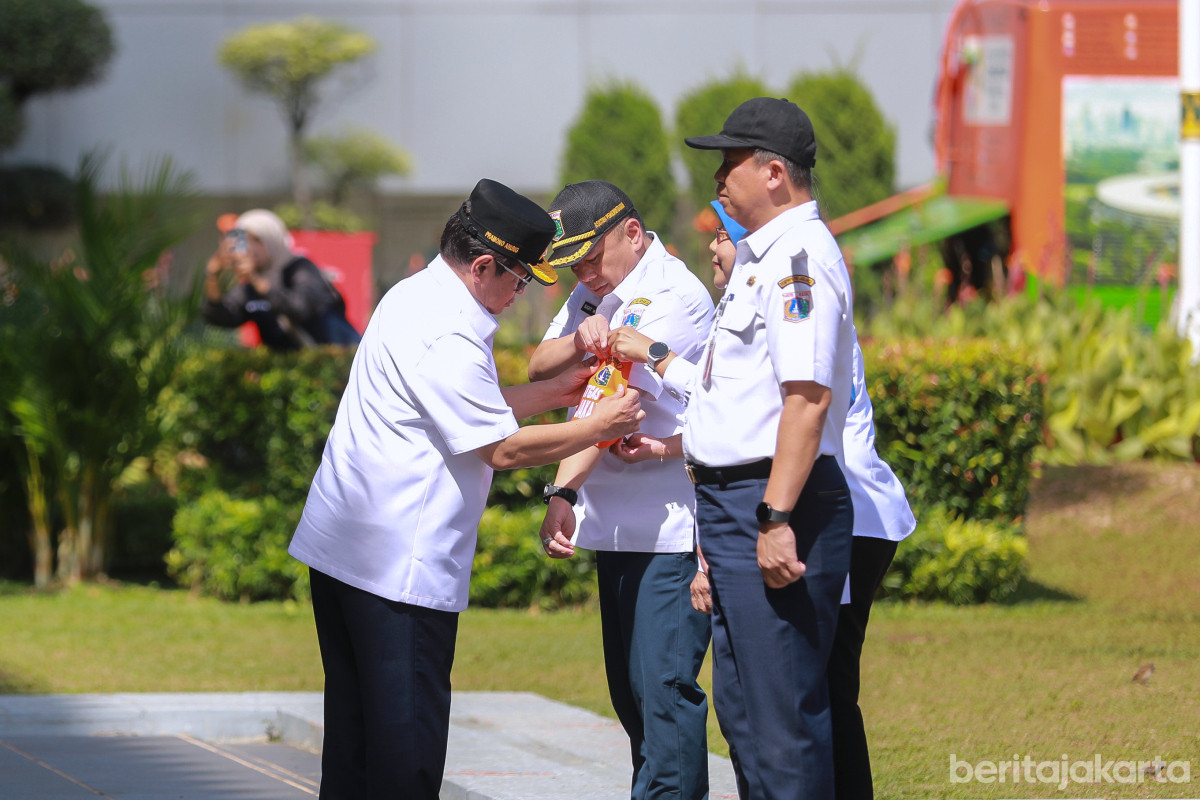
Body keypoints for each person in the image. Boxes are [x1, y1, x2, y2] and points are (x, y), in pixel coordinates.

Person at [286, 178, 644, 800]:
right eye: (520, 279)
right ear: (483, 266)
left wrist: (553, 393)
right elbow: (499, 448)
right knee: (406, 756)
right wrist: (598, 426)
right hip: (395, 569)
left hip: (344, 551)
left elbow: (466, 405)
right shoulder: (452, 330)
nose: (519, 293)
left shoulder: (415, 293)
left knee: (354, 743)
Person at [607, 200, 916, 800]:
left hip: (830, 512)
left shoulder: (792, 276)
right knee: (780, 698)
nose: (715, 248)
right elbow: (732, 414)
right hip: (816, 508)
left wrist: (654, 353)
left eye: (724, 236)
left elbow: (780, 411)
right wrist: (667, 446)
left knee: (805, 697)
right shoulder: (749, 294)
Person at [681, 97, 858, 800]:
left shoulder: (798, 262)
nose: (718, 180)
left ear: (775, 173)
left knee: (782, 723)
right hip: (738, 504)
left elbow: (806, 400)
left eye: (730, 164)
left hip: (776, 501)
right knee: (746, 715)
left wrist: (776, 516)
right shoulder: (765, 257)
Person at [527, 180, 715, 800]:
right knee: (631, 699)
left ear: (632, 234)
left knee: (664, 697)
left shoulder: (671, 295)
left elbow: (613, 406)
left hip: (669, 528)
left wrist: (561, 490)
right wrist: (580, 335)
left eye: (590, 258)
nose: (583, 274)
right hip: (615, 524)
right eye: (573, 266)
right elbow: (539, 363)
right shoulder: (597, 287)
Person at [202, 209, 361, 351]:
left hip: (334, 363)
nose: (249, 248)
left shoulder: (300, 268)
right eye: (243, 241)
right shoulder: (251, 286)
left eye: (255, 240)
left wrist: (256, 280)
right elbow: (221, 317)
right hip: (290, 370)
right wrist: (213, 276)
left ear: (271, 240)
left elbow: (300, 309)